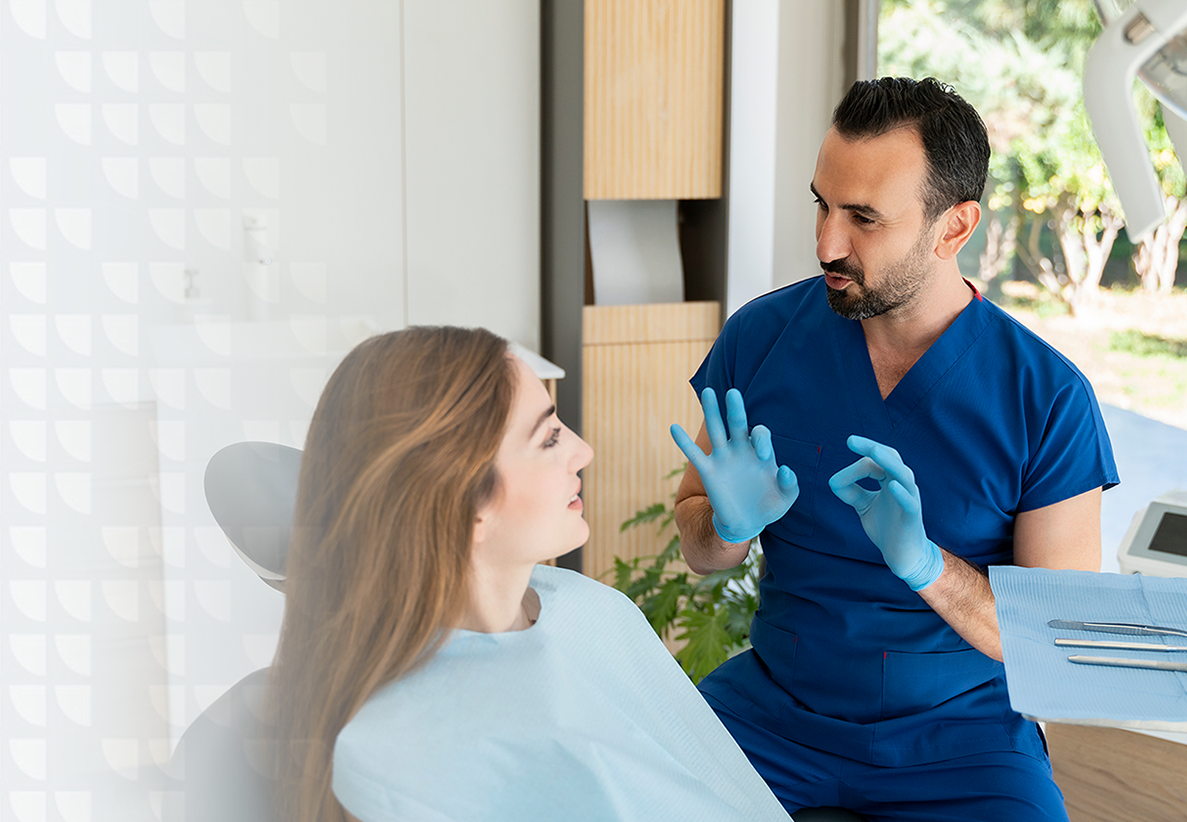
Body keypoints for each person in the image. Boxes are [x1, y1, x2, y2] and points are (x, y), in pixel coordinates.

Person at [671, 77, 1119, 821]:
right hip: (770, 715)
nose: (825, 244)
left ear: (953, 227)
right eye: (821, 203)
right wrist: (724, 527)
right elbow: (700, 549)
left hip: (962, 742)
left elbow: (1052, 637)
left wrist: (925, 566)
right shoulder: (761, 339)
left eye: (862, 218)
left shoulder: (1045, 397)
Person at [267, 326, 792, 822]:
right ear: (465, 500)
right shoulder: (398, 754)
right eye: (548, 439)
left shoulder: (587, 607)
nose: (582, 451)